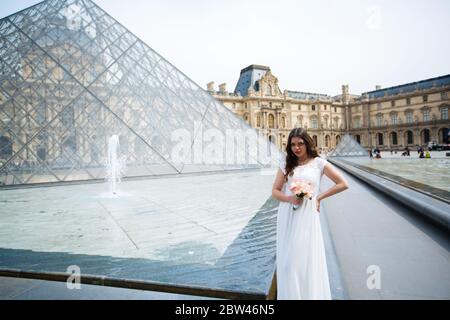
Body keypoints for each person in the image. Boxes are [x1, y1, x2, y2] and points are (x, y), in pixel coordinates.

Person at [272, 128, 349, 300]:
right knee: (288, 263)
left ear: (307, 143)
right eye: (292, 144)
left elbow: (343, 183)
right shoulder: (286, 163)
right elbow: (275, 191)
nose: (296, 148)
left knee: (304, 261)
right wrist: (289, 198)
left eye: (300, 144)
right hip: (288, 214)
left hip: (307, 215)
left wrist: (319, 197)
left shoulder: (319, 163)